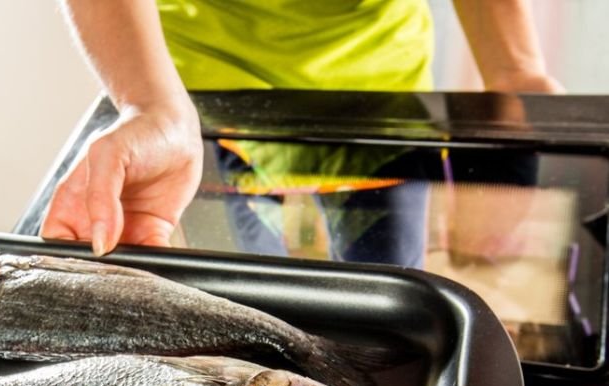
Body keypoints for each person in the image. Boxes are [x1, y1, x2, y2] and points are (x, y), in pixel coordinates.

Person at [40, 0, 563, 258]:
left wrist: (516, 75)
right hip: (207, 99)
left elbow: (515, 70)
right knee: (253, 294)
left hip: (383, 102)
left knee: (392, 301)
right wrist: (150, 103)